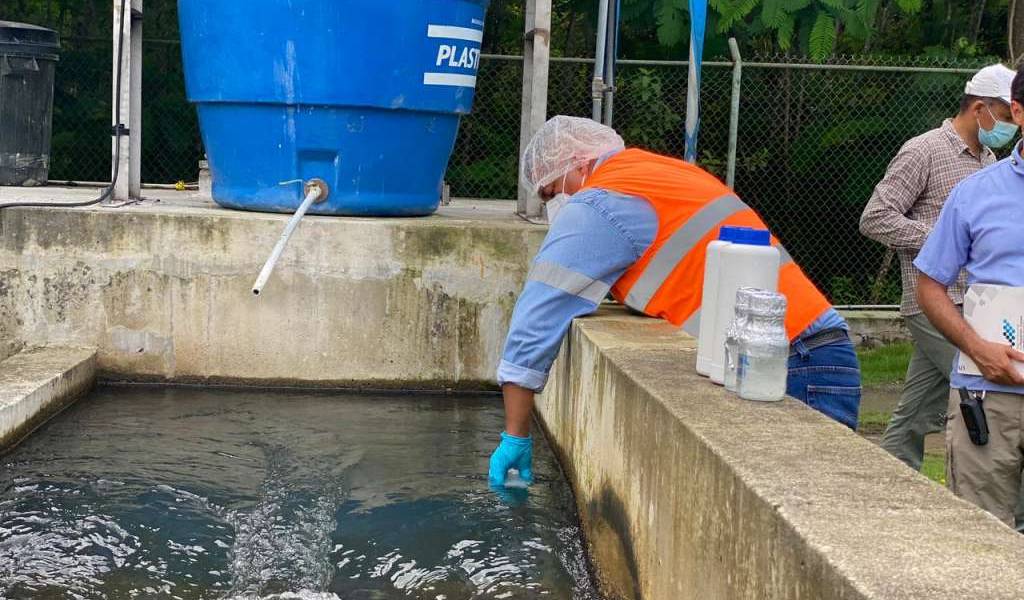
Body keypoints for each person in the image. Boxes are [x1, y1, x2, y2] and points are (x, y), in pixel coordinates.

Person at [488, 116, 862, 487]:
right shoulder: (659, 173)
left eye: (553, 191)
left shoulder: (602, 201)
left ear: (580, 163)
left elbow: (537, 316)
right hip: (817, 353)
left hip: (787, 364)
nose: (555, 205)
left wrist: (516, 435)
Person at [859, 64, 1017, 471]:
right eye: (1005, 115)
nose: (1011, 125)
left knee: (915, 411)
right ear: (979, 108)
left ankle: (890, 483)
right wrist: (940, 240)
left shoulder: (991, 159)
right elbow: (875, 216)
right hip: (931, 301)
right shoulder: (924, 150)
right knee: (983, 390)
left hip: (974, 305)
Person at [914, 65, 1024, 527]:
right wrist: (977, 347)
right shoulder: (974, 194)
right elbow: (929, 283)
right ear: (1017, 112)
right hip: (990, 395)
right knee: (983, 539)